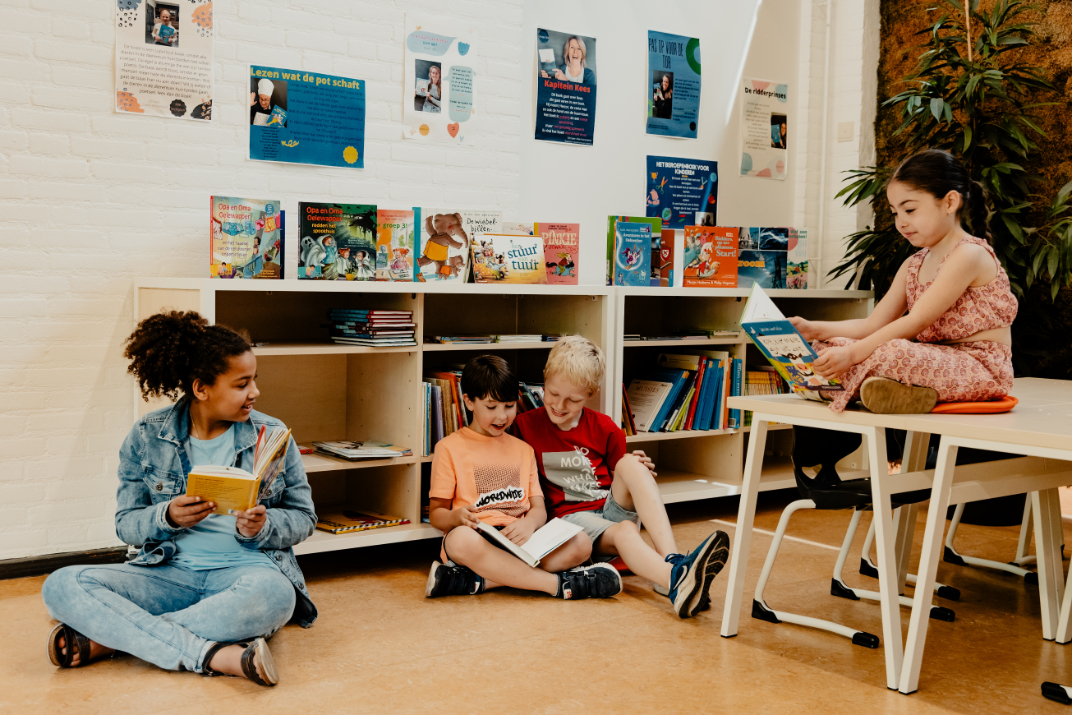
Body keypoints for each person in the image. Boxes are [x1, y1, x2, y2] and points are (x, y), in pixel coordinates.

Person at [41, 311, 317, 686]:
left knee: (275, 597)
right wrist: (165, 517)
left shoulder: (272, 434)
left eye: (255, 380)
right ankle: (212, 654)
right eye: (241, 384)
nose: (254, 392)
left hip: (247, 575)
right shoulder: (146, 436)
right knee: (61, 583)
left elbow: (304, 517)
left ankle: (109, 641)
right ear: (201, 388)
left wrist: (263, 527)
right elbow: (126, 525)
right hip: (168, 573)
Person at [512, 336, 730, 618]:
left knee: (630, 463)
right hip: (570, 522)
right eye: (552, 394)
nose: (559, 405)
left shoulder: (605, 427)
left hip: (606, 508)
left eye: (573, 399)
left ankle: (673, 562)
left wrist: (639, 471)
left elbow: (621, 479)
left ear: (591, 392)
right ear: (544, 380)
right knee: (626, 530)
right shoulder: (524, 427)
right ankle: (677, 579)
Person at [790, 149, 1017, 414]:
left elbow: (915, 321)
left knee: (893, 351)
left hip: (978, 367)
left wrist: (852, 356)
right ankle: (890, 390)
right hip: (934, 360)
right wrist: (812, 329)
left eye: (909, 209)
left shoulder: (969, 254)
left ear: (949, 202)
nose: (901, 222)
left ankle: (861, 389)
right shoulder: (913, 264)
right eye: (895, 213)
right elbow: (872, 324)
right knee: (830, 346)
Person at [426, 355, 622, 600]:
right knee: (460, 541)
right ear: (469, 402)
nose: (502, 416)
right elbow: (437, 514)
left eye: (509, 406)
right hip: (478, 537)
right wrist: (455, 517)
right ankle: (558, 585)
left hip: (521, 539)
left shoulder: (523, 449)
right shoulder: (449, 448)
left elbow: (539, 508)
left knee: (582, 543)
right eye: (491, 407)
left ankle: (478, 581)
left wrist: (529, 524)